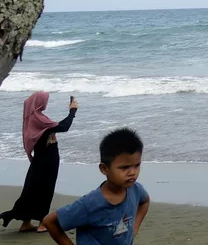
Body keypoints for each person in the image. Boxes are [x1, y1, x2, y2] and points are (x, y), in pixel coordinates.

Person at [42, 128, 149, 245]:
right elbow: (50, 222)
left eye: (137, 165)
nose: (132, 172)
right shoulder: (90, 204)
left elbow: (145, 201)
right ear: (104, 169)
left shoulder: (135, 189)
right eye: (124, 168)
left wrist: (134, 227)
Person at [1, 91, 78, 233]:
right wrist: (72, 111)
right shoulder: (39, 119)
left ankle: (26, 223)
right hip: (47, 160)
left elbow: (55, 127)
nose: (46, 103)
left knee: (32, 189)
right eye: (45, 100)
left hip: (40, 160)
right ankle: (43, 223)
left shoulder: (33, 118)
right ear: (39, 103)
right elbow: (63, 127)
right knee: (45, 189)